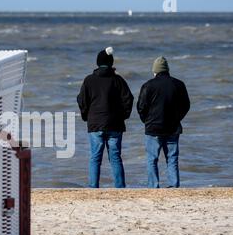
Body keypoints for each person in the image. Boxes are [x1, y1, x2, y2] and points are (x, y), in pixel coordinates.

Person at [77, 47, 134, 188]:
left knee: (95, 158)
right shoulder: (118, 80)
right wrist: (123, 116)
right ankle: (120, 187)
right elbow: (129, 99)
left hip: (95, 124)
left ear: (97, 63)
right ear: (111, 63)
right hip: (115, 124)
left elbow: (81, 100)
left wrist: (86, 117)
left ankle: (93, 187)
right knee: (115, 158)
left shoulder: (89, 80)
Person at [137, 57, 190, 188]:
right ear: (167, 70)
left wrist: (147, 121)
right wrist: (178, 118)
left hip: (153, 128)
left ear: (155, 71)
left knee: (152, 159)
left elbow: (141, 107)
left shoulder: (148, 85)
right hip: (173, 128)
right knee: (172, 159)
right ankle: (174, 185)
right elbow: (186, 105)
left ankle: (154, 186)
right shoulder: (179, 84)